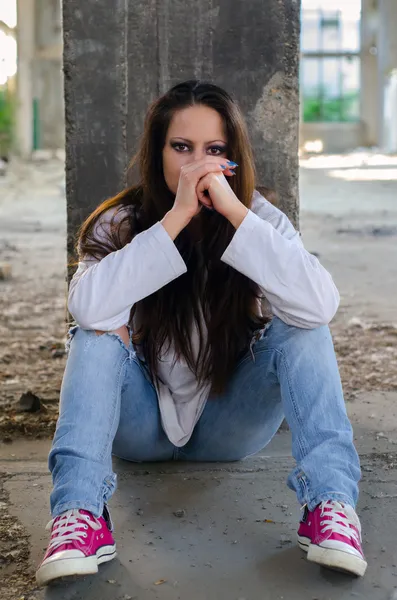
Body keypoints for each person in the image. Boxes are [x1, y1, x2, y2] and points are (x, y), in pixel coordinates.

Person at [35, 80, 366, 586]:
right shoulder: (119, 222)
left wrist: (235, 212)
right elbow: (88, 311)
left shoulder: (260, 219)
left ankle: (331, 505)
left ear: (233, 159)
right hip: (139, 426)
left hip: (229, 423)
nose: (196, 165)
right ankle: (79, 515)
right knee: (95, 336)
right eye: (181, 148)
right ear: (157, 150)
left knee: (304, 328)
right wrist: (176, 218)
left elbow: (320, 306)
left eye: (214, 151)